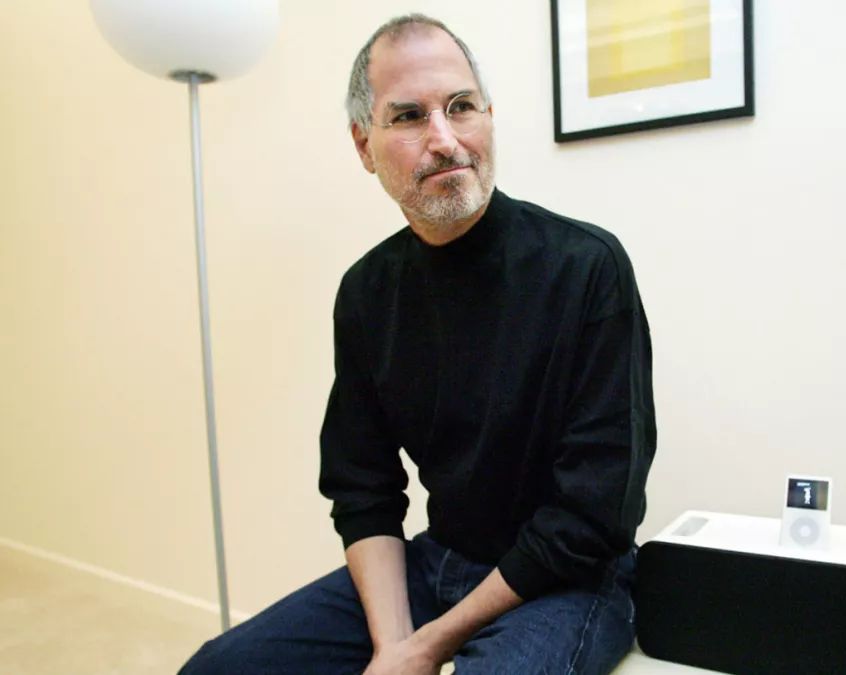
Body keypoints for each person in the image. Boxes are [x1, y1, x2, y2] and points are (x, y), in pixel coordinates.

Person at [180, 13, 655, 675]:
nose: (445, 139)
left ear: (489, 117)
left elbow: (593, 514)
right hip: (438, 560)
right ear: (363, 144)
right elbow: (362, 488)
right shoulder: (367, 292)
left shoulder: (587, 267)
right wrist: (393, 644)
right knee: (219, 668)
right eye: (408, 116)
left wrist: (427, 647)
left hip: (572, 579)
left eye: (461, 107)